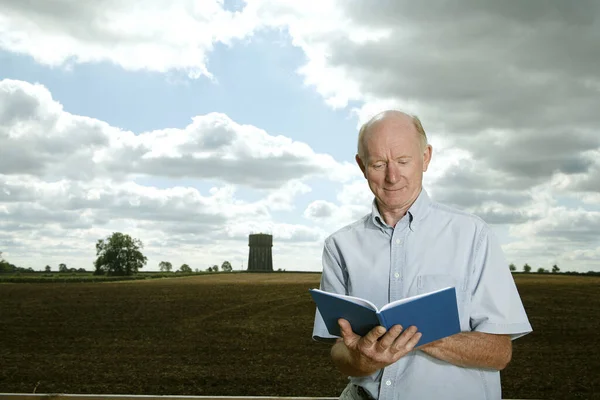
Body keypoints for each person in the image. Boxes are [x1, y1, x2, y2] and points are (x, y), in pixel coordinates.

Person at [312, 110, 532, 400]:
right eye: (378, 163)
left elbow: (499, 353)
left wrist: (415, 336)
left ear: (426, 158)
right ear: (361, 165)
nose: (392, 176)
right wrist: (363, 358)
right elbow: (339, 351)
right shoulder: (339, 244)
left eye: (403, 161)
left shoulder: (473, 235)